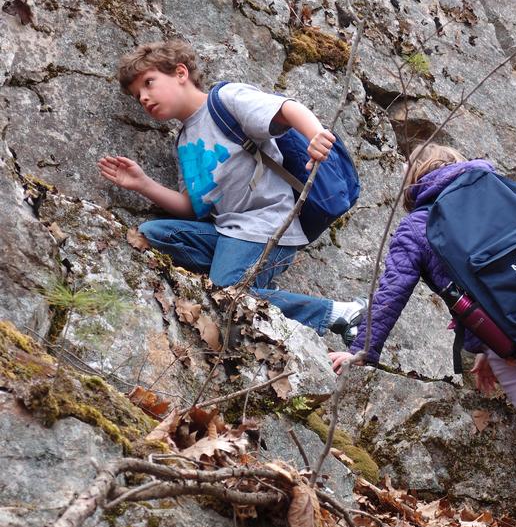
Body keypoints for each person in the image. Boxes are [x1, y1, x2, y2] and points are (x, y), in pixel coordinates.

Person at [329, 142, 516, 509]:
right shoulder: (501, 188)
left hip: (510, 334)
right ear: (461, 163)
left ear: (412, 184)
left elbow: (391, 293)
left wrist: (362, 352)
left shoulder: (417, 226)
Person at [97, 38, 366, 342]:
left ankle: (337, 313)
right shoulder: (183, 142)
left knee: (224, 298)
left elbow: (288, 109)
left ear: (180, 73)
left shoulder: (225, 100)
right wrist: (142, 184)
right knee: (152, 235)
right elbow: (191, 208)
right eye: (137, 95)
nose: (144, 98)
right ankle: (256, 291)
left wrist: (316, 135)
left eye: (149, 83)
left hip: (266, 224)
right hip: (229, 231)